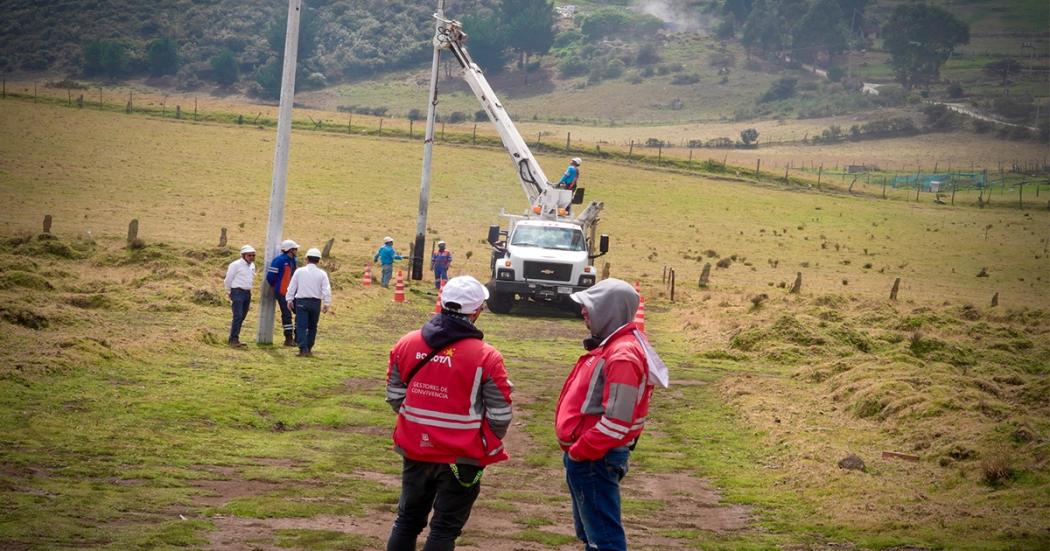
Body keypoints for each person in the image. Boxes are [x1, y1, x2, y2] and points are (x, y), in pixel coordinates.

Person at [385, 275, 513, 551]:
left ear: (441, 303)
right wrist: (483, 440)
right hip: (462, 458)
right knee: (444, 530)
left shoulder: (406, 343)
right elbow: (500, 414)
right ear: (477, 311)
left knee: (407, 521)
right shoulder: (487, 357)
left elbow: (395, 395)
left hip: (415, 450)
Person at [554, 278, 668, 551]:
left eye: (590, 306)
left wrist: (581, 451)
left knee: (604, 539)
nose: (583, 312)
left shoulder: (621, 355)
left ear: (609, 310)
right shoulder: (612, 346)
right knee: (593, 536)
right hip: (592, 457)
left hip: (595, 458)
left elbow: (617, 421)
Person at [285, 248, 332, 358]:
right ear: (319, 260)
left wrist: (289, 299)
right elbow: (326, 289)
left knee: (301, 325)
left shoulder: (299, 271)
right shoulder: (322, 274)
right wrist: (326, 303)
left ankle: (303, 348)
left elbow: (292, 286)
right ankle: (309, 347)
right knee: (313, 326)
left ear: (306, 259)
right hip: (315, 302)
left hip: (301, 301)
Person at [266, 239, 299, 347]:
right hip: (283, 292)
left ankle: (298, 337)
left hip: (293, 292)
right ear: (290, 250)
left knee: (299, 312)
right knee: (286, 314)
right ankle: (288, 339)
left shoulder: (293, 260)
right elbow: (270, 276)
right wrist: (277, 286)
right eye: (295, 249)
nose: (297, 251)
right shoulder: (279, 260)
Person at [223, 245, 257, 348]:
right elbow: (228, 279)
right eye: (249, 255)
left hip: (247, 292)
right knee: (237, 315)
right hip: (237, 291)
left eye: (253, 255)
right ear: (243, 255)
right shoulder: (235, 265)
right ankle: (233, 339)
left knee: (242, 316)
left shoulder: (252, 265)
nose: (252, 257)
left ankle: (234, 337)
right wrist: (228, 291)